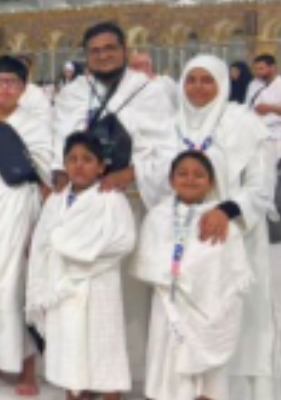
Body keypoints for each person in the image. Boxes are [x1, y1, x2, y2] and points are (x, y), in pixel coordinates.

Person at [53, 22, 178, 382]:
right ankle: (82, 371)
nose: (103, 56)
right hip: (83, 202)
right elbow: (58, 138)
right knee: (83, 288)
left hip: (130, 199)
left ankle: (124, 372)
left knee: (128, 293)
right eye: (95, 51)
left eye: (110, 48)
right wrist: (61, 175)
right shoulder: (73, 93)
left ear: (124, 50)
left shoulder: (150, 92)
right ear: (85, 56)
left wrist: (131, 173)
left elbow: (167, 147)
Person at [175, 55, 280, 400]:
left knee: (238, 317)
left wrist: (226, 210)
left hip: (236, 232)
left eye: (207, 80)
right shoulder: (172, 124)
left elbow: (261, 185)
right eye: (191, 79)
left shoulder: (245, 123)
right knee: (190, 317)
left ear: (222, 83)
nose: (198, 88)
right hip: (187, 236)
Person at [0, 55, 54, 397]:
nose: (5, 88)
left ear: (23, 87)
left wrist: (43, 224)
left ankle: (27, 365)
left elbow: (47, 172)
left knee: (16, 286)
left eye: (12, 82)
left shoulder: (34, 124)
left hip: (18, 209)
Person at [135, 152, 253, 400]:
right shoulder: (157, 216)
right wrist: (177, 276)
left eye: (199, 175)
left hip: (209, 305)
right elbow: (147, 259)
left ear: (211, 182)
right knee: (169, 365)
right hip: (169, 305)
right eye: (183, 174)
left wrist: (202, 282)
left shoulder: (220, 220)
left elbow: (231, 267)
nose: (190, 179)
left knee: (208, 374)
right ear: (171, 180)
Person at [26, 133, 136, 400]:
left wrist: (79, 254)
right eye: (72, 159)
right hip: (61, 284)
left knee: (103, 341)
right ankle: (74, 389)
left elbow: (124, 240)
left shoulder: (111, 198)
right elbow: (42, 243)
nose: (78, 165)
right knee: (69, 339)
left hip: (98, 284)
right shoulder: (56, 200)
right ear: (64, 164)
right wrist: (41, 285)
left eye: (87, 159)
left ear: (100, 167)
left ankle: (110, 392)